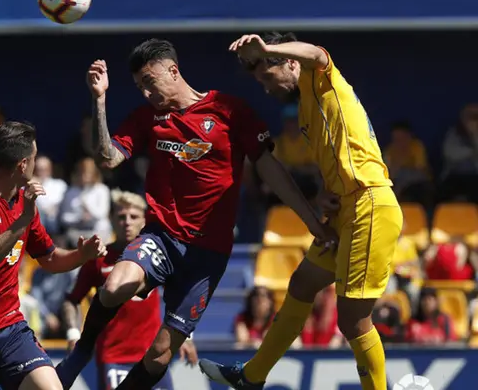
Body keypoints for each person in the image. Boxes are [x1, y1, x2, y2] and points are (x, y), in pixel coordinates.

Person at [55, 39, 336, 390]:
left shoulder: (229, 110)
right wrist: (99, 100)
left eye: (149, 82)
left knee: (160, 354)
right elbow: (108, 158)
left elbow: (270, 169)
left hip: (208, 254)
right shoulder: (147, 118)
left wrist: (311, 221)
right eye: (139, 86)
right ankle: (80, 354)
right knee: (114, 286)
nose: (146, 93)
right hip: (162, 236)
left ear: (173, 71)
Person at [200, 32, 403, 390]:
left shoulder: (320, 78)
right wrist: (326, 194)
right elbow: (338, 155)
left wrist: (267, 48)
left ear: (290, 63)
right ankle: (252, 376)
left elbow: (316, 52)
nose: (266, 88)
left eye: (268, 77)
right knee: (302, 283)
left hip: (369, 204)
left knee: (353, 320)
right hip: (346, 208)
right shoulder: (309, 107)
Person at [0, 121, 107, 390]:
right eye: (34, 158)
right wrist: (22, 221)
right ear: (23, 164)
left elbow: (50, 258)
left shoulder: (24, 205)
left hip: (9, 327)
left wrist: (81, 254)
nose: (35, 165)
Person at [62, 190, 198, 390]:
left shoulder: (156, 258)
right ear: (111, 220)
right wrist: (73, 334)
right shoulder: (99, 260)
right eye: (121, 217)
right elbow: (71, 300)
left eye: (133, 217)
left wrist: (185, 335)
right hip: (114, 357)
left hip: (151, 358)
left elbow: (180, 295)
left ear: (144, 221)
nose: (127, 222)